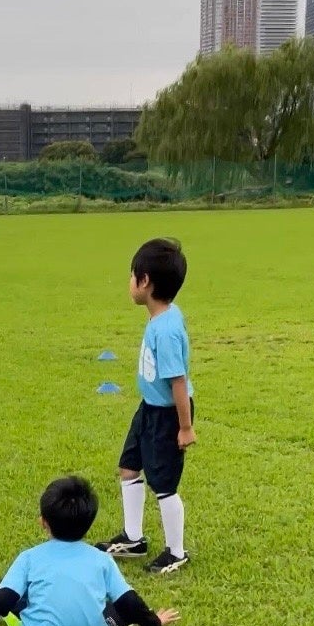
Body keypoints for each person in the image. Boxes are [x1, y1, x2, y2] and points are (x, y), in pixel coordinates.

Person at [0, 476, 179, 626]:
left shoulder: (29, 558)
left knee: (0, 587)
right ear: (89, 523)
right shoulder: (102, 559)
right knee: (116, 607)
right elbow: (130, 603)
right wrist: (154, 624)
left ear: (43, 522)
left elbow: (4, 599)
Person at [95, 238, 195, 574]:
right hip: (149, 408)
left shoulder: (164, 331)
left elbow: (178, 381)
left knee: (164, 483)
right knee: (129, 465)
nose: (129, 282)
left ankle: (176, 552)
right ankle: (134, 538)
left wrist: (184, 427)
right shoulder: (165, 314)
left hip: (168, 414)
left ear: (145, 281)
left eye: (131, 275)